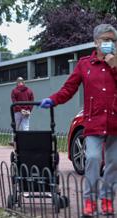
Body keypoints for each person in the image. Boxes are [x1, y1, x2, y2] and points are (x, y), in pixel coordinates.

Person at [40, 24, 117, 216]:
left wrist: (114, 65)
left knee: (114, 162)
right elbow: (69, 89)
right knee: (92, 158)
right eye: (106, 40)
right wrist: (53, 99)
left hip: (115, 121)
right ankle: (90, 201)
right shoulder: (84, 64)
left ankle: (107, 198)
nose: (110, 43)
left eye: (113, 40)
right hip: (94, 121)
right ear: (96, 42)